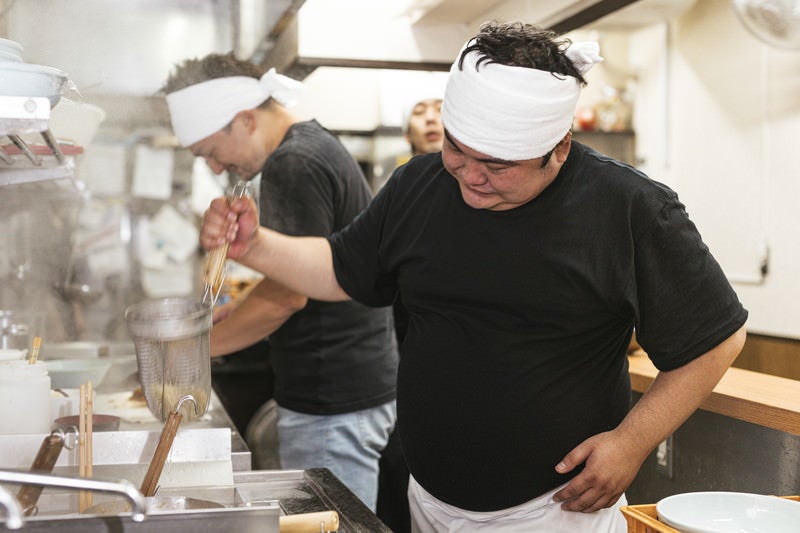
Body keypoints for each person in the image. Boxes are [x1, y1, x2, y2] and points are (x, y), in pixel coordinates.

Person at [199, 22, 748, 532]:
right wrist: (257, 246)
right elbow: (341, 271)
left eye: (499, 164)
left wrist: (632, 442)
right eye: (458, 149)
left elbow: (717, 338)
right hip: (430, 500)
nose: (471, 176)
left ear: (557, 149)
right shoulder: (418, 184)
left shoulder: (628, 208)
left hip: (553, 512)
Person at [161, 53, 399, 511]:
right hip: (349, 385)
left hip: (331, 395)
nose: (215, 168)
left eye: (210, 151)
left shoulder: (294, 164)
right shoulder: (310, 145)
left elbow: (288, 295)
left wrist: (189, 352)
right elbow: (302, 272)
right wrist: (239, 310)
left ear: (245, 120)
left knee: (330, 527)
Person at [376, 93, 444, 533]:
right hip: (410, 351)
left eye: (438, 109)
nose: (431, 118)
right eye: (419, 113)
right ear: (408, 134)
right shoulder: (401, 187)